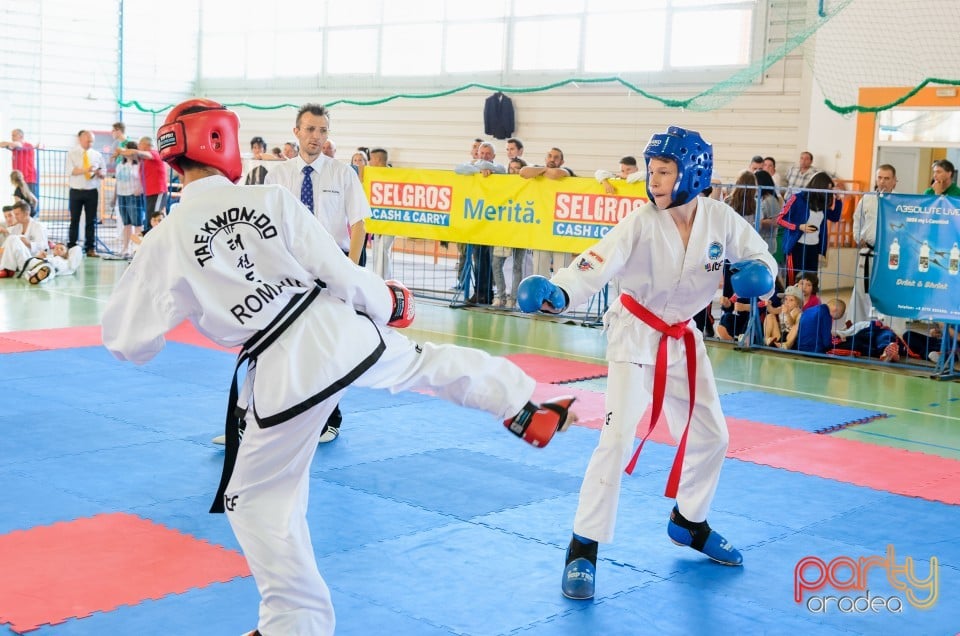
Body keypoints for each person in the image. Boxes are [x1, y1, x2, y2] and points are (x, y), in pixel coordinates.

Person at [100, 98, 578, 635]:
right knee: (426, 362)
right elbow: (338, 271)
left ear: (173, 157)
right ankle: (521, 405)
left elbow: (126, 341)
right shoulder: (271, 197)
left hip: (285, 370)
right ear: (224, 144)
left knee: (255, 500)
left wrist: (194, 301)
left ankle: (294, 624)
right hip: (338, 328)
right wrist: (388, 303)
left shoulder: (165, 239)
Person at [516, 126, 776, 600]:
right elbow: (594, 264)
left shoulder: (720, 220)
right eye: (651, 172)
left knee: (713, 435)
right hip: (634, 336)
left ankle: (688, 520)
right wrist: (560, 292)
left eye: (663, 172)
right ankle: (583, 546)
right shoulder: (639, 223)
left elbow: (761, 257)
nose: (653, 181)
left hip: (683, 338)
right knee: (616, 438)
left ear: (692, 173)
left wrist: (760, 274)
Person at [265, 103, 371, 444]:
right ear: (296, 132)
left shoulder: (343, 174)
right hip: (290, 267)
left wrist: (350, 270)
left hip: (333, 265)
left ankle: (330, 416)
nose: (316, 136)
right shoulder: (277, 177)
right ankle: (270, 414)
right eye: (310, 129)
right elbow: (269, 226)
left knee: (329, 345)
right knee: (281, 343)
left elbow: (358, 224)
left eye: (323, 130)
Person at [848, 164, 897, 324]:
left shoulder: (900, 201)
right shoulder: (867, 198)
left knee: (887, 292)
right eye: (880, 177)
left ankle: (885, 329)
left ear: (895, 181)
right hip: (867, 251)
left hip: (889, 254)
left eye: (887, 178)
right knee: (862, 291)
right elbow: (857, 219)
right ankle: (858, 327)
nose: (882, 182)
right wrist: (857, 237)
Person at [776, 171, 842, 284]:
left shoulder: (822, 203)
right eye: (828, 189)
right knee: (794, 282)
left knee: (811, 282)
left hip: (813, 248)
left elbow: (835, 217)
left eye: (831, 189)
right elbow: (780, 219)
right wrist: (798, 226)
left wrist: (839, 199)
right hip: (797, 246)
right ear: (820, 187)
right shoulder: (797, 198)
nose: (830, 192)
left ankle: (811, 302)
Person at [520, 148, 577, 278]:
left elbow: (556, 174)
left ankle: (558, 298)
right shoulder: (538, 169)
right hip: (542, 229)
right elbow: (523, 172)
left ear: (562, 161)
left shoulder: (567, 171)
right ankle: (542, 297)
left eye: (556, 157)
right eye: (550, 156)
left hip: (561, 229)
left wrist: (542, 171)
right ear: (545, 158)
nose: (552, 159)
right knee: (539, 271)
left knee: (561, 272)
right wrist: (543, 169)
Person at [65, 130, 105, 257]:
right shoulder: (72, 153)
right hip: (76, 190)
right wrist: (86, 170)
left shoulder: (97, 155)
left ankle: (90, 248)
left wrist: (100, 173)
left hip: (92, 191)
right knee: (74, 220)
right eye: (88, 140)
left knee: (91, 220)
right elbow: (71, 171)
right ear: (80, 139)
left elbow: (103, 172)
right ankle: (71, 246)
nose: (90, 143)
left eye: (92, 141)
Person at [121, 136, 169, 235]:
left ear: (146, 145)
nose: (138, 146)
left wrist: (120, 151)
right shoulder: (143, 160)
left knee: (155, 218)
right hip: (149, 193)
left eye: (140, 144)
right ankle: (148, 238)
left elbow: (135, 153)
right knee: (149, 218)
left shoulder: (154, 154)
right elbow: (133, 155)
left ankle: (153, 240)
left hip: (157, 191)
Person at [367, 148, 395, 280]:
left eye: (371, 159)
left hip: (391, 219)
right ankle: (377, 278)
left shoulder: (394, 176)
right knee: (377, 249)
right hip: (376, 218)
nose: (369, 162)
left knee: (384, 250)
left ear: (378, 160)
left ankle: (384, 280)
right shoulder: (372, 176)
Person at [114, 141, 144, 258]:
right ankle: (125, 248)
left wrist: (139, 189)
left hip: (134, 195)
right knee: (126, 223)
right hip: (122, 195)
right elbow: (117, 182)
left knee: (137, 223)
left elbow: (142, 180)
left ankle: (137, 249)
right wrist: (114, 197)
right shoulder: (120, 165)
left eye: (127, 150)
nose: (124, 153)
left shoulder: (139, 165)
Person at [0, 129, 39, 216]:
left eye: (14, 135)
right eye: (12, 135)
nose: (12, 138)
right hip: (19, 180)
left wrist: (9, 144)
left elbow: (16, 144)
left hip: (29, 179)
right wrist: (9, 145)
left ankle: (31, 221)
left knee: (29, 204)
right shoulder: (15, 148)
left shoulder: (27, 145)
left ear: (21, 136)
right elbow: (1, 144)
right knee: (21, 204)